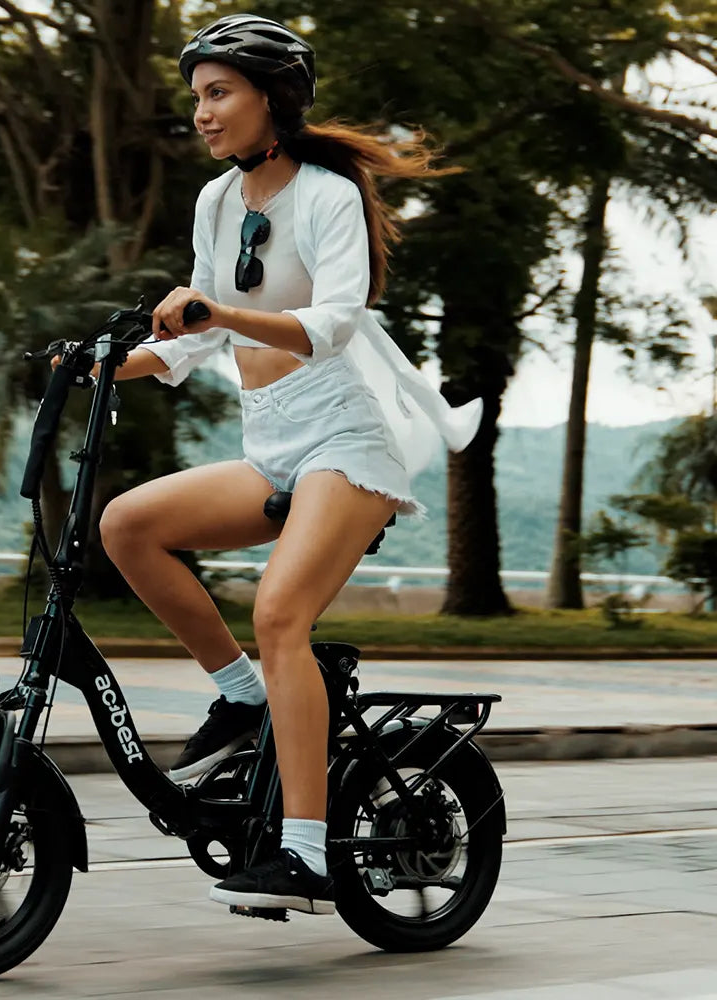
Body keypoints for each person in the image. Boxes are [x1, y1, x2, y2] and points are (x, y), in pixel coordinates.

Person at [78, 13, 481, 916]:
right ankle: (240, 698)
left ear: (274, 99)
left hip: (347, 442)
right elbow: (181, 348)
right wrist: (98, 363)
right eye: (198, 98)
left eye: (220, 94)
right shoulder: (217, 204)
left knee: (279, 611)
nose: (204, 114)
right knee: (127, 525)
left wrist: (216, 316)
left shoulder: (329, 196)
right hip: (271, 443)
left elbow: (333, 324)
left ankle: (304, 855)